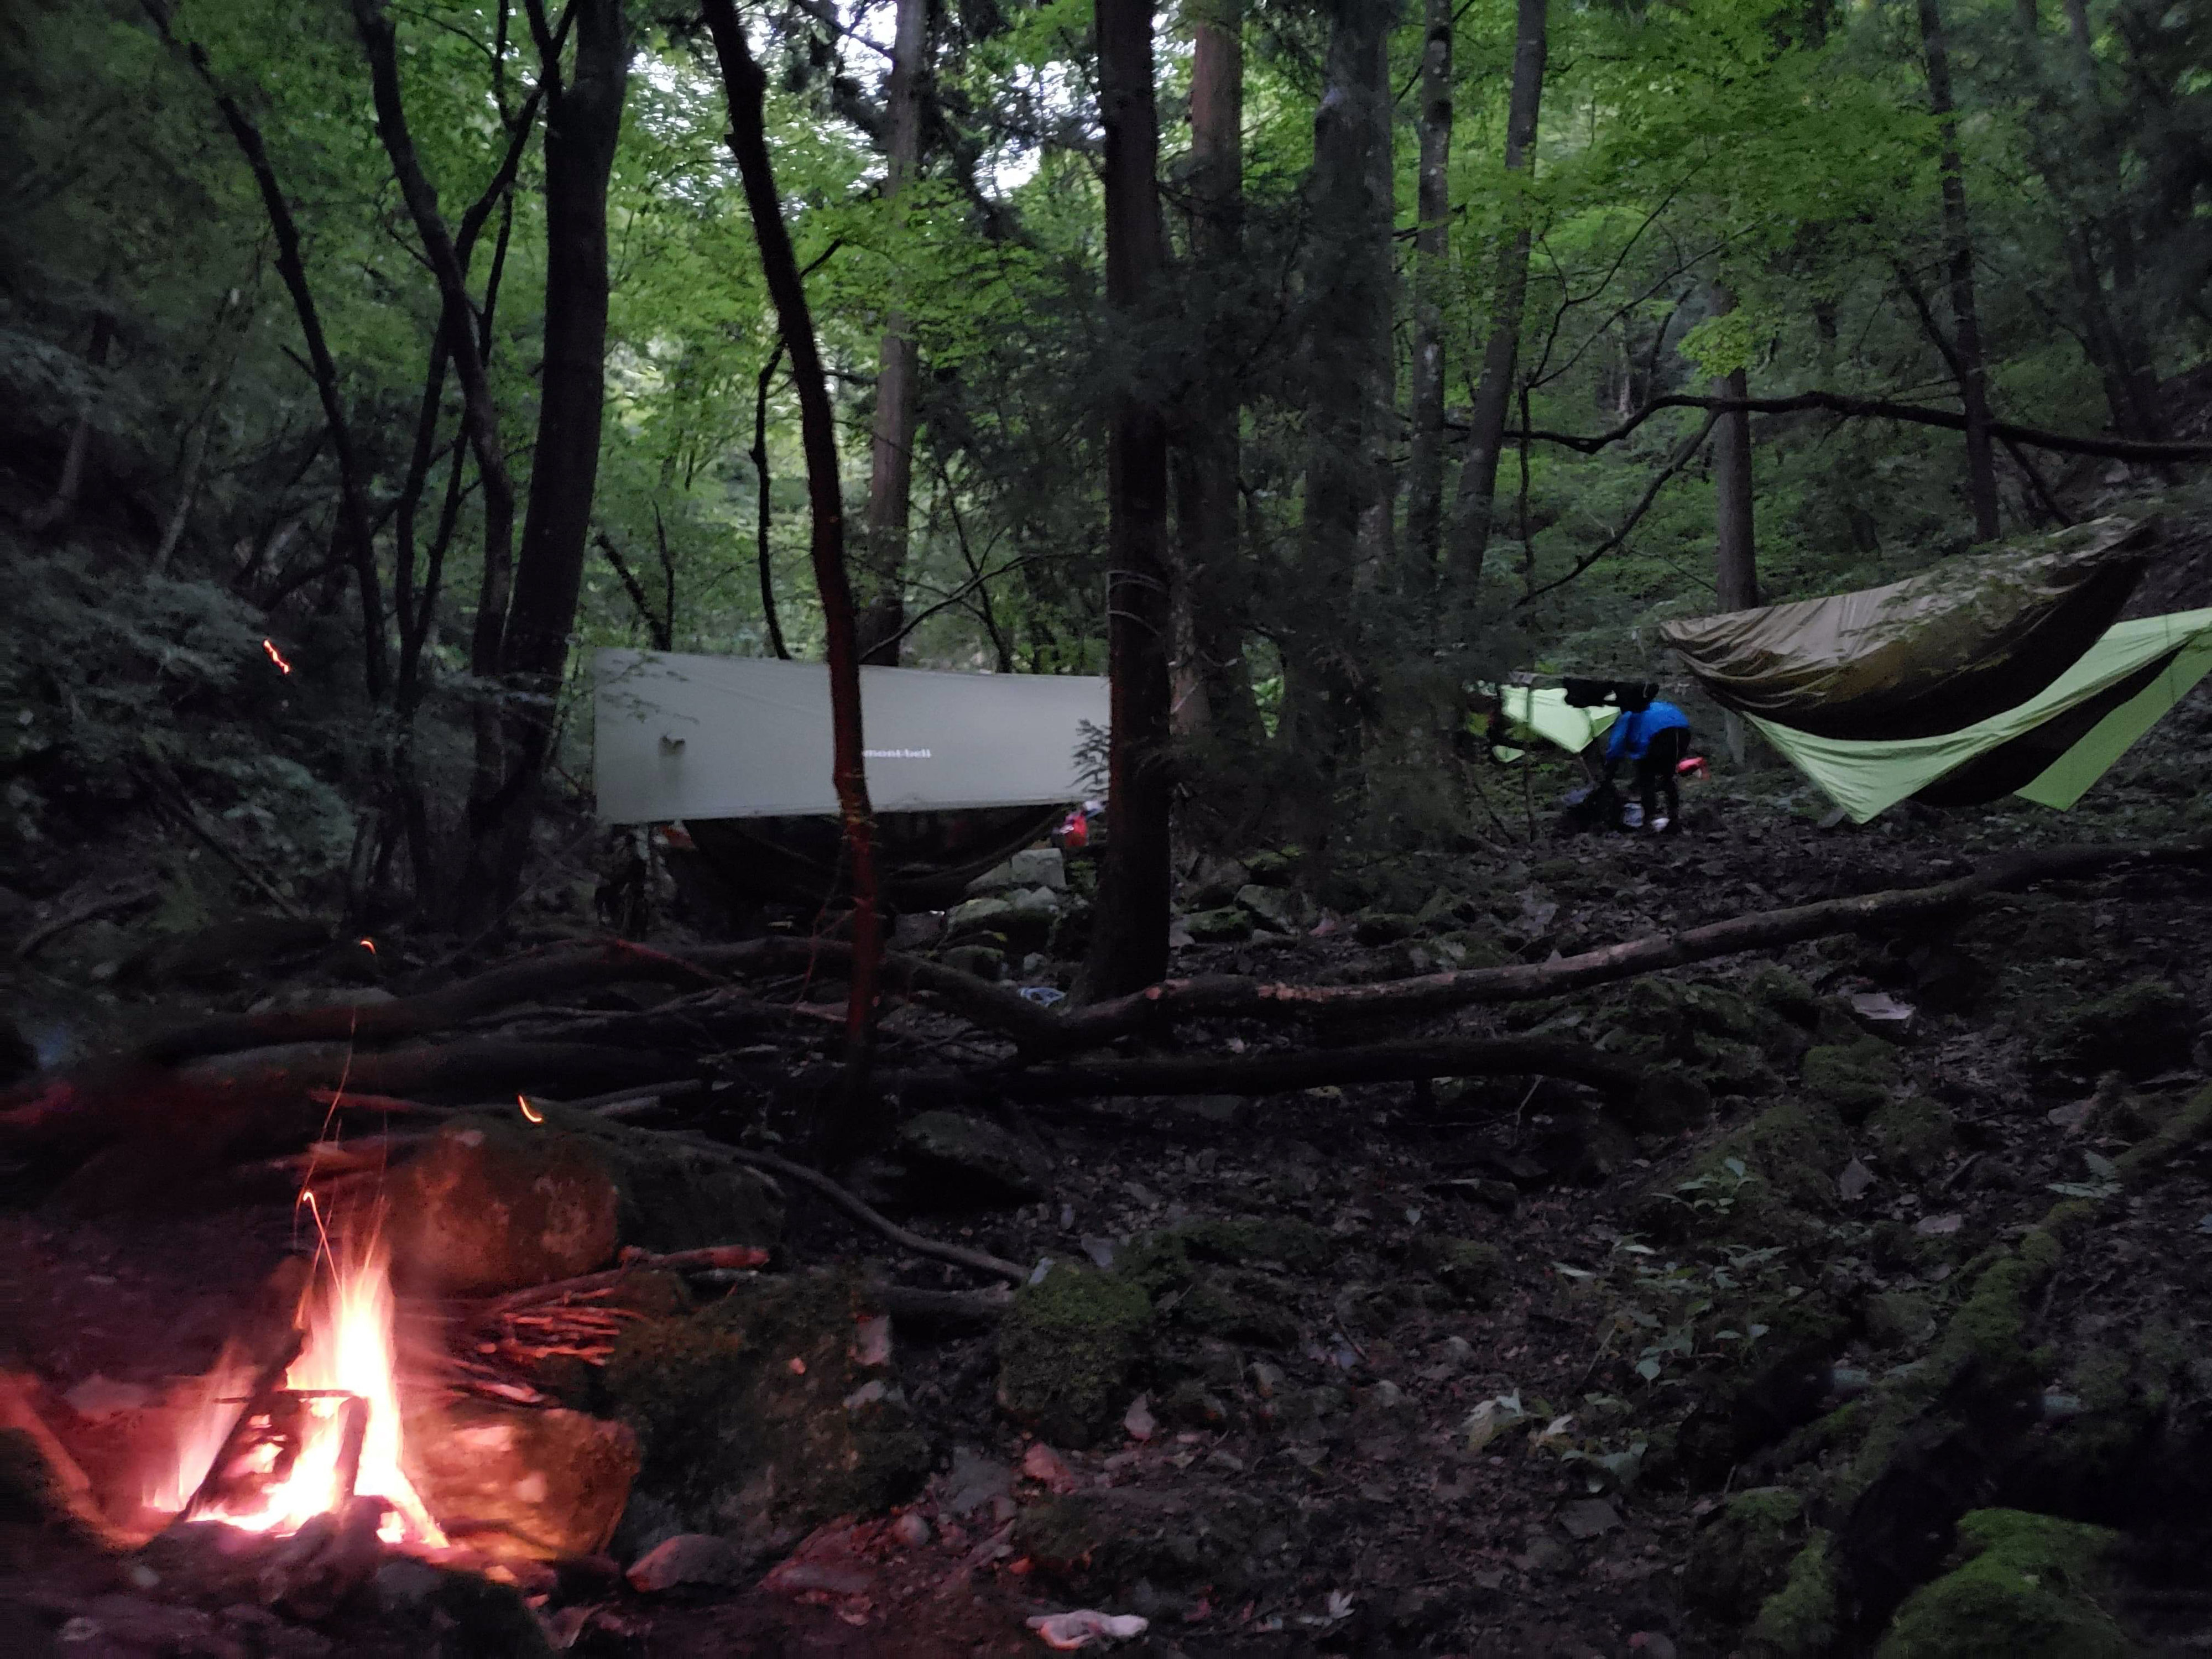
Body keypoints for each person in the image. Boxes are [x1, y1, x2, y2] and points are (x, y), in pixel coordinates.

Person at [1602, 695, 1692, 833]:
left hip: (1657, 736)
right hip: (1682, 731)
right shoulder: (1655, 706)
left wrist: (1609, 773)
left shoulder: (1627, 715)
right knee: (1668, 774)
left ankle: (1648, 821)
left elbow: (1616, 746)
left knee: (1647, 778)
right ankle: (1674, 818)